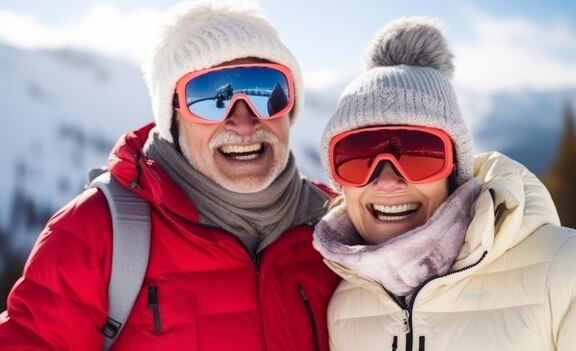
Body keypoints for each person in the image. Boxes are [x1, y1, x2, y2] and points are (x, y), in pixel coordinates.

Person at [0, 1, 340, 349]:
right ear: (173, 119)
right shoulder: (98, 231)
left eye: (266, 91)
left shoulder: (339, 230)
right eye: (210, 98)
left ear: (291, 108)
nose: (243, 121)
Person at [313, 17, 576, 351]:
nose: (387, 182)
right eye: (358, 157)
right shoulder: (343, 305)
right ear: (338, 180)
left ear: (455, 170)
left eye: (419, 154)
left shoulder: (573, 274)